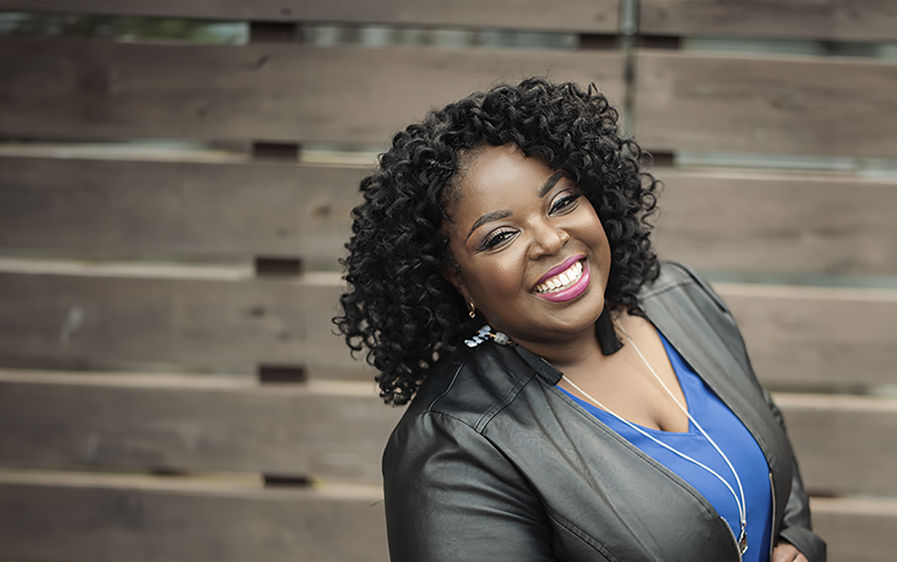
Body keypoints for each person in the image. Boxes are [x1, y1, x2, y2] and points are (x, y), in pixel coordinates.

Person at [334, 77, 826, 561]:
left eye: (562, 202)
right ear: (455, 278)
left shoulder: (678, 299)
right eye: (500, 236)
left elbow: (767, 443)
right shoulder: (453, 445)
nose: (551, 240)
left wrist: (795, 542)